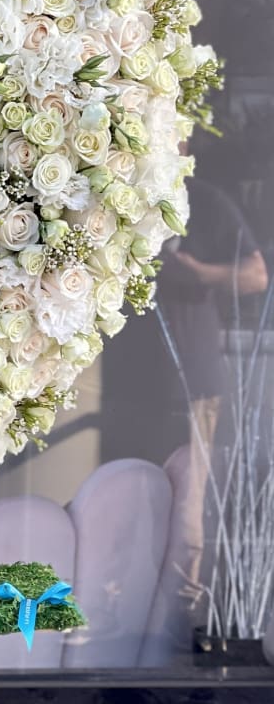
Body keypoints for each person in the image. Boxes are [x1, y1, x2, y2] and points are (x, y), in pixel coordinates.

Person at [155, 176, 268, 589]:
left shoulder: (202, 199)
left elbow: (256, 277)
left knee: (187, 502)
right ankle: (128, 615)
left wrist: (198, 273)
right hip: (129, 384)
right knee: (132, 497)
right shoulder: (119, 193)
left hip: (195, 383)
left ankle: (181, 617)